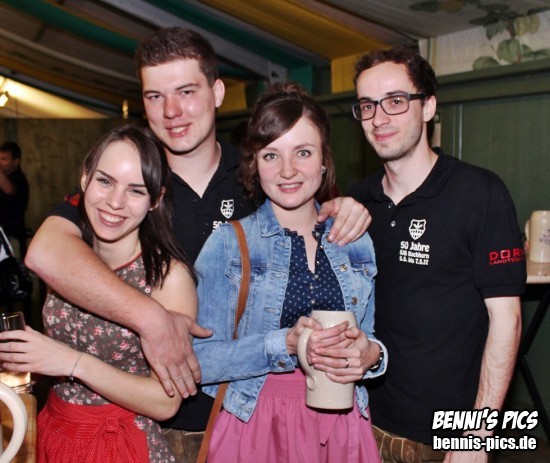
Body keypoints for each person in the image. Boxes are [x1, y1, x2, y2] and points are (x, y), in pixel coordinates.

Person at [24, 27, 372, 461]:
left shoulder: (259, 173)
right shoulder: (132, 179)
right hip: (140, 425)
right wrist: (152, 319)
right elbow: (45, 250)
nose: (171, 111)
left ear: (217, 92)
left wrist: (342, 205)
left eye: (186, 92)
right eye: (155, 96)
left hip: (239, 424)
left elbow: (309, 206)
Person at [347, 47, 526, 463]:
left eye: (395, 101)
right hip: (363, 424)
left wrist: (477, 437)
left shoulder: (479, 193)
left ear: (428, 106)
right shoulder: (358, 201)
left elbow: (508, 320)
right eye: (367, 105)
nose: (379, 118)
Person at [194, 82, 386, 462]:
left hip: (343, 422)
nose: (287, 170)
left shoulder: (355, 239)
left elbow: (370, 338)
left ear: (324, 160)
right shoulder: (229, 243)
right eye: (271, 155)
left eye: (303, 152)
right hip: (258, 426)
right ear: (255, 163)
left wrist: (373, 356)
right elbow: (200, 361)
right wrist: (284, 344)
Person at [0, 124, 196, 462]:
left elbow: (166, 402)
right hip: (54, 430)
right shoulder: (67, 257)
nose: (115, 202)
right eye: (105, 181)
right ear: (84, 178)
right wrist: (34, 358)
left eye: (136, 190)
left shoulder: (169, 276)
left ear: (156, 199)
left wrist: (72, 362)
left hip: (120, 442)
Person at [0, 141, 29, 251]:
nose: (0, 162)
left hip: (13, 238)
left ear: (16, 161)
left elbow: (9, 190)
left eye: (4, 159)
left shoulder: (19, 179)